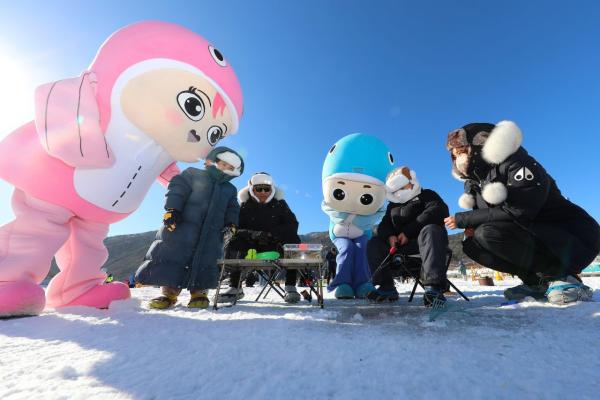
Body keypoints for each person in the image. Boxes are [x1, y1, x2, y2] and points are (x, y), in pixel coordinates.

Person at [444, 121, 600, 304]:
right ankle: (536, 282)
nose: (457, 158)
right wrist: (471, 224)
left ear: (480, 145)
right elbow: (488, 217)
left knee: (488, 233)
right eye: (454, 155)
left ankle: (564, 279)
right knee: (472, 243)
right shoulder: (475, 183)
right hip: (535, 236)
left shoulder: (517, 163)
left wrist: (464, 219)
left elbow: (520, 210)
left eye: (461, 151)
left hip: (572, 238)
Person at [135, 147, 244, 309]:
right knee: (174, 257)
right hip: (182, 227)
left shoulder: (229, 189)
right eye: (223, 164)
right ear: (214, 161)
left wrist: (231, 224)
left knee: (205, 260)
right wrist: (173, 209)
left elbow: (232, 208)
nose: (225, 169)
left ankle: (199, 293)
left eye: (230, 168)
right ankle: (169, 294)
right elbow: (177, 189)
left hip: (212, 233)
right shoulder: (193, 174)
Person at [366, 166, 450, 305]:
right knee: (374, 242)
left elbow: (438, 211)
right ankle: (386, 286)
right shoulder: (392, 206)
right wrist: (390, 236)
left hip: (428, 244)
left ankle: (433, 287)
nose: (410, 185)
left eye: (409, 182)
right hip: (400, 248)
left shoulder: (427, 195)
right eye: (404, 185)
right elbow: (383, 226)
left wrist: (408, 232)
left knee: (430, 230)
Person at [217, 172, 302, 303]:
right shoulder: (244, 206)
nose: (263, 192)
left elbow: (292, 225)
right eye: (258, 189)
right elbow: (236, 229)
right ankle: (235, 287)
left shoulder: (281, 205)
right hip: (251, 247)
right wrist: (254, 234)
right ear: (252, 190)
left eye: (266, 189)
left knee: (294, 240)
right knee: (234, 240)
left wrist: (272, 234)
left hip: (275, 245)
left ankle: (290, 286)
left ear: (272, 190)